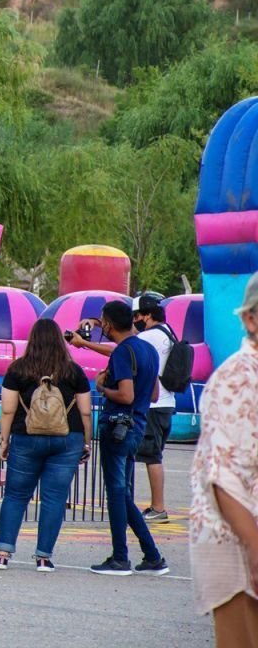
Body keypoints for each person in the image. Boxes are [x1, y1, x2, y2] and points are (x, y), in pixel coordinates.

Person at [72, 300, 169, 576]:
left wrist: (103, 386)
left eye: (103, 322)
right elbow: (152, 395)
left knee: (116, 493)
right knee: (122, 492)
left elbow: (125, 395)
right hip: (137, 426)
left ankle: (120, 556)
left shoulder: (123, 353)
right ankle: (151, 555)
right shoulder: (148, 349)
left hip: (118, 427)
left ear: (111, 324)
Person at [0, 319, 92, 571]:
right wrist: (86, 442)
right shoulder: (73, 370)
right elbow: (86, 411)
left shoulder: (18, 369)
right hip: (67, 439)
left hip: (26, 437)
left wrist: (5, 441)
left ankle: (3, 554)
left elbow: (7, 410)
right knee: (54, 498)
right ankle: (44, 557)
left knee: (15, 495)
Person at [190, 272, 258, 647]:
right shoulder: (236, 378)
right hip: (236, 539)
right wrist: (254, 545)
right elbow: (223, 474)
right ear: (250, 319)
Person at [130, 292, 176, 523]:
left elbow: (125, 348)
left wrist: (86, 343)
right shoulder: (167, 332)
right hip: (167, 404)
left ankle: (158, 507)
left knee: (152, 457)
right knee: (153, 455)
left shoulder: (150, 338)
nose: (135, 320)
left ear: (147, 315)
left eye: (137, 315)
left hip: (155, 405)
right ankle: (157, 506)